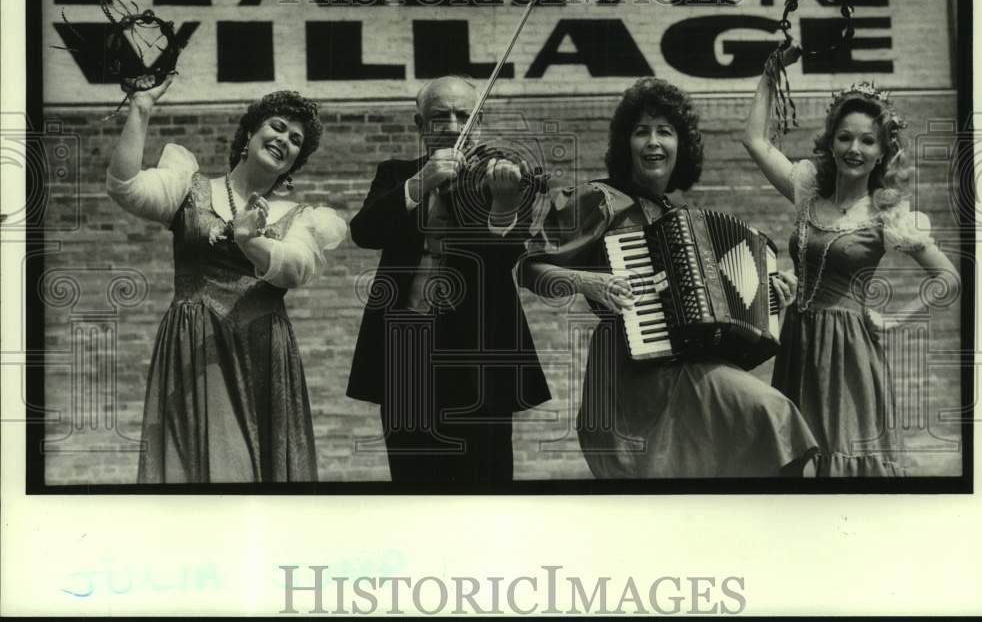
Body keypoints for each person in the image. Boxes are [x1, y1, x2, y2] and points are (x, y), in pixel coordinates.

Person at [520, 78, 818, 478]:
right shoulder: (599, 199)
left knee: (773, 429)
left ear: (682, 145)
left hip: (686, 370)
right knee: (770, 414)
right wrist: (589, 282)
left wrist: (771, 301)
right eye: (641, 131)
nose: (653, 142)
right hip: (629, 379)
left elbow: (717, 315)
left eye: (665, 131)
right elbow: (529, 267)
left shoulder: (678, 216)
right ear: (626, 143)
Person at [106, 75, 347, 483]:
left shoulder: (300, 217)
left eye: (295, 139)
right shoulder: (189, 188)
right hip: (196, 349)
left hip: (262, 353)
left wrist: (250, 241)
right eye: (276, 126)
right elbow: (125, 186)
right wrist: (141, 109)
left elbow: (295, 267)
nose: (284, 139)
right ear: (249, 132)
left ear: (295, 162)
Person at [742, 48, 961, 475]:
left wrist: (896, 319)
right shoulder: (808, 191)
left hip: (848, 350)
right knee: (797, 461)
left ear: (882, 151)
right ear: (831, 141)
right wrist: (770, 72)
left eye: (867, 141)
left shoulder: (887, 213)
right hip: (798, 342)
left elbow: (948, 278)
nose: (854, 148)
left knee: (842, 462)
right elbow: (755, 141)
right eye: (845, 137)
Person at [348, 75, 551, 485]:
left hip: (481, 354)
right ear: (420, 124)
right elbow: (364, 232)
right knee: (412, 479)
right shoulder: (395, 174)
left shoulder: (500, 178)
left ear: (480, 124)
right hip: (405, 353)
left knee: (487, 481)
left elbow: (505, 256)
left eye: (465, 116)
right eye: (441, 117)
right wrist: (421, 182)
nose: (455, 127)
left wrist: (504, 203)